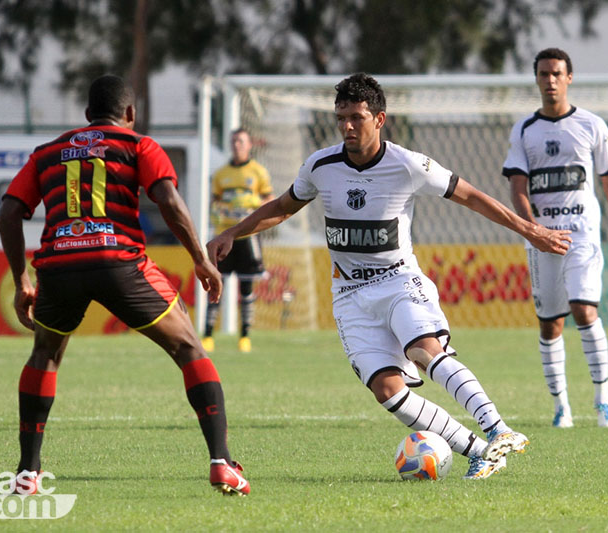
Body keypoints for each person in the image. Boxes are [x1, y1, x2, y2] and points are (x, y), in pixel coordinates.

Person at [208, 73, 573, 479]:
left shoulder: (409, 164)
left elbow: (472, 196)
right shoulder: (320, 165)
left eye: (357, 118)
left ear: (379, 119)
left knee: (424, 348)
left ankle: (499, 428)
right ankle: (478, 451)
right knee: (386, 388)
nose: (347, 126)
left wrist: (531, 230)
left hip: (399, 281)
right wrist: (231, 233)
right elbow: (282, 205)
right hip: (349, 293)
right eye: (341, 117)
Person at [0, 74, 249, 495]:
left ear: (86, 115)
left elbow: (9, 212)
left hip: (58, 266)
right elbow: (167, 200)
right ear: (130, 113)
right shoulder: (138, 145)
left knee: (44, 355)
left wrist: (22, 279)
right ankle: (222, 462)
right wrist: (201, 260)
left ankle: (27, 473)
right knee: (188, 345)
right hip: (118, 263)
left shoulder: (47, 153)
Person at [502, 48, 608, 429]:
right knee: (550, 325)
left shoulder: (592, 125)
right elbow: (518, 187)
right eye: (544, 74)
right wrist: (535, 231)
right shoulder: (524, 130)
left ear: (569, 78)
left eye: (557, 73)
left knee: (584, 311)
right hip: (542, 240)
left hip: (583, 236)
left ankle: (603, 401)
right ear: (537, 79)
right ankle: (562, 407)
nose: (550, 81)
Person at [201, 128, 274, 353]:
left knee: (246, 285)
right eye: (233, 141)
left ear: (249, 145)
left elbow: (270, 199)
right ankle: (207, 335)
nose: (237, 145)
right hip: (225, 235)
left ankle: (244, 336)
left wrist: (250, 206)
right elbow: (214, 201)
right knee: (216, 282)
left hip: (248, 236)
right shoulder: (222, 174)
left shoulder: (258, 172)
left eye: (241, 142)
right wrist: (221, 211)